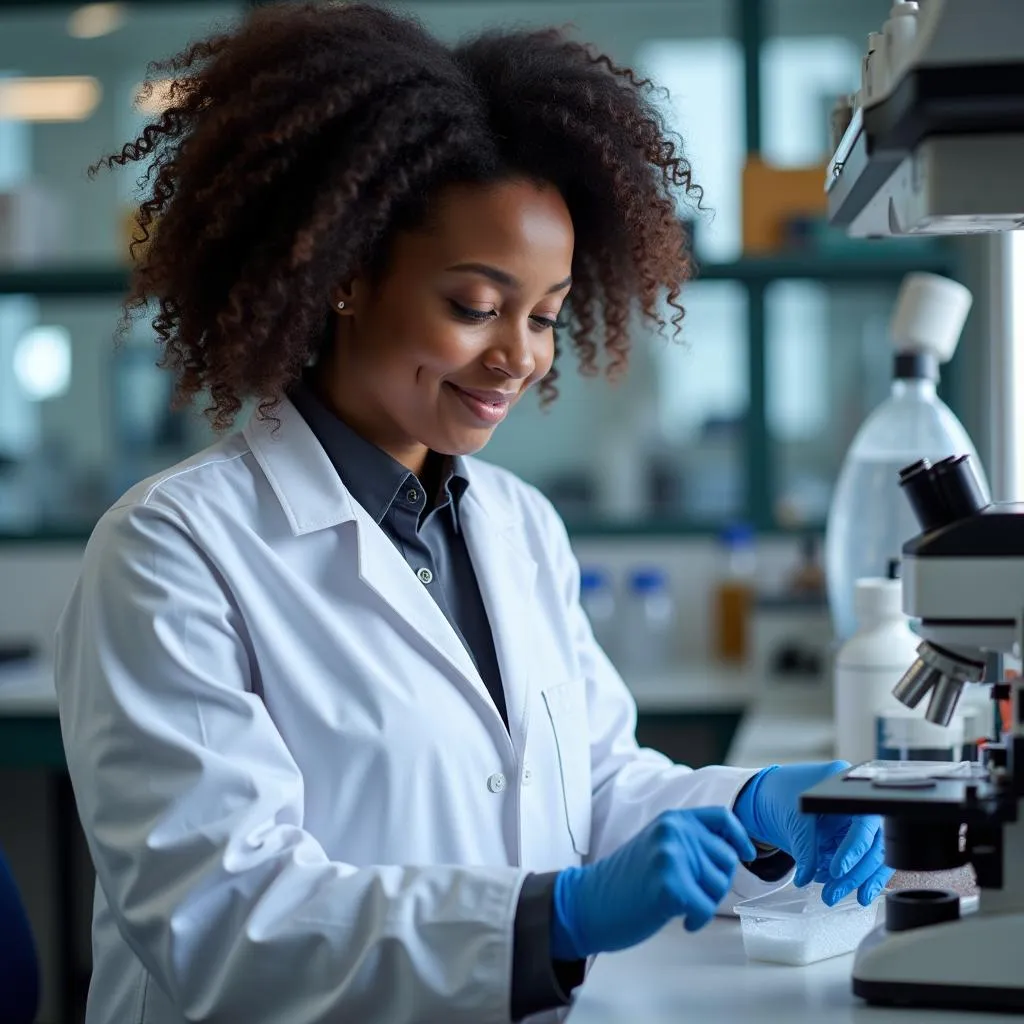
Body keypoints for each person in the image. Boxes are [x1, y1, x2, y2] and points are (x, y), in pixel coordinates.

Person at [55, 4, 892, 1023]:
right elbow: (224, 917)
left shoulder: (515, 522)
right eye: (475, 306)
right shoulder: (173, 551)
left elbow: (594, 793)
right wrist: (555, 917)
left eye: (543, 315)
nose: (521, 359)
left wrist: (758, 813)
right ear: (348, 274)